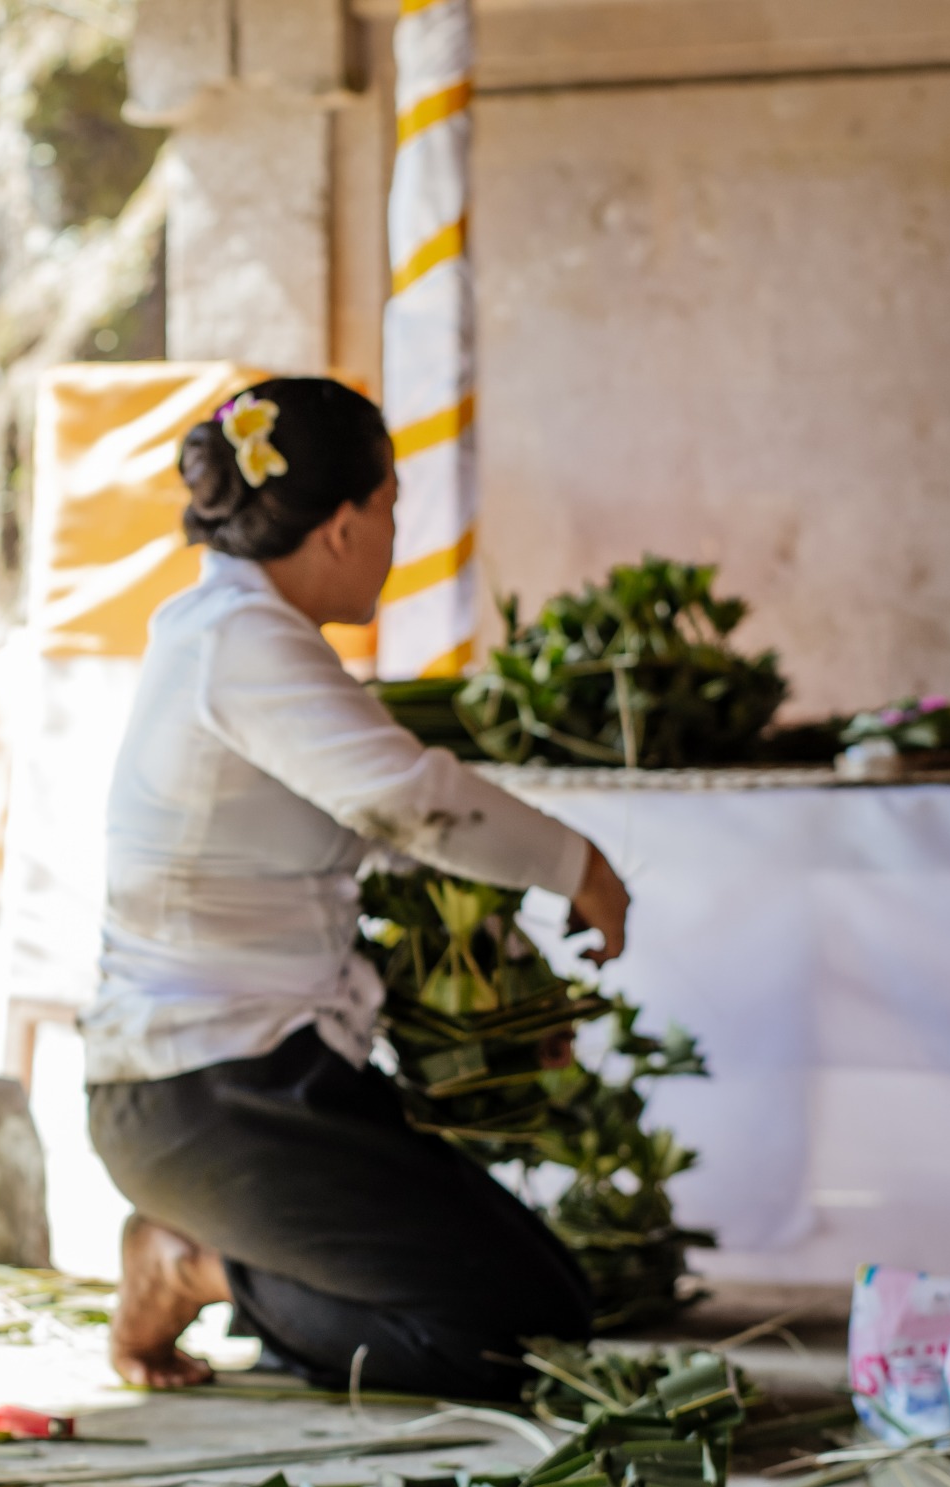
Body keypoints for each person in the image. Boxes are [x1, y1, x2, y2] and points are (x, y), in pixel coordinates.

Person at [81, 378, 631, 1405]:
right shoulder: (236, 642)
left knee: (554, 1303)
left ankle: (213, 1256)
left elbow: (385, 840)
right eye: (389, 507)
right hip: (204, 1087)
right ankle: (189, 1264)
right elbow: (407, 801)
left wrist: (517, 1001)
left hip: (274, 1069)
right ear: (341, 526)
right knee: (504, 1340)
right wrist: (580, 867)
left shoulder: (248, 634)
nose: (391, 533)